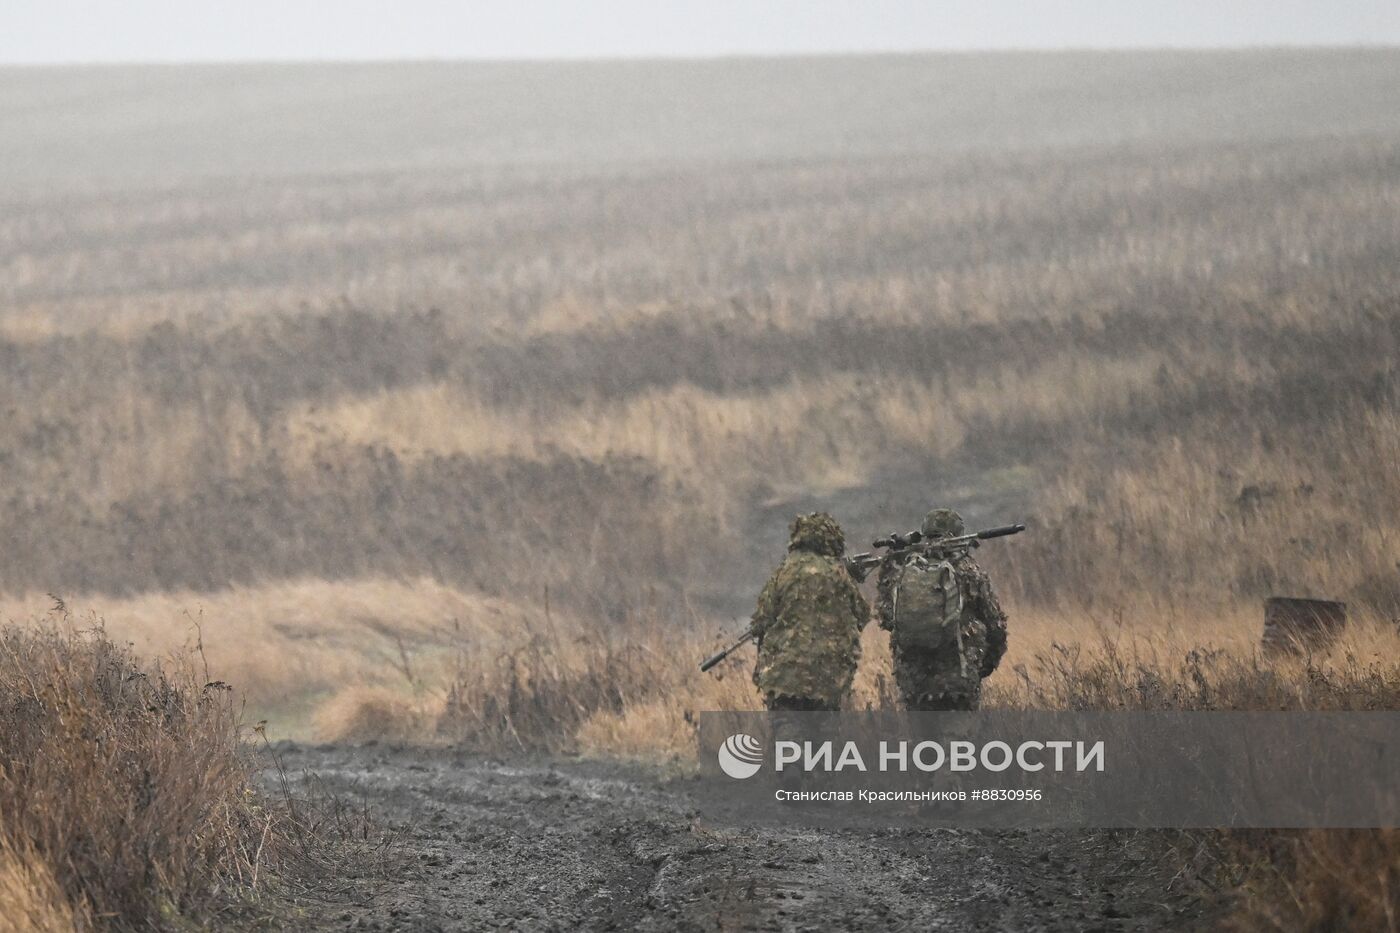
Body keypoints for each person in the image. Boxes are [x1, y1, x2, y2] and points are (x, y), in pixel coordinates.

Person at [875, 508, 1007, 711]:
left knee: (922, 740)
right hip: (958, 676)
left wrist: (889, 564)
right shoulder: (968, 570)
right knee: (959, 741)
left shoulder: (905, 571)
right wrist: (983, 667)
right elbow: (995, 625)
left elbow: (886, 617)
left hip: (914, 679)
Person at [750, 512, 871, 711]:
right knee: (822, 741)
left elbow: (762, 620)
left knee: (788, 739)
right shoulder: (837, 572)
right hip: (827, 678)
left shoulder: (783, 572)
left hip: (784, 679)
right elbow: (862, 615)